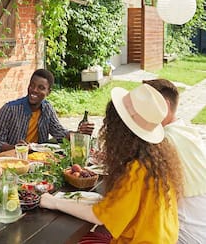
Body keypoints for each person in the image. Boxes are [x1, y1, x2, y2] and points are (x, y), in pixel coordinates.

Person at [40, 84, 183, 243]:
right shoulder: (157, 157)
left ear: (119, 128)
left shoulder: (137, 169)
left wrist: (53, 202)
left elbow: (99, 217)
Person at [143, 78, 206, 244]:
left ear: (164, 104)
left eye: (144, 104)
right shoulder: (185, 129)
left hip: (184, 235)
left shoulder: (163, 140)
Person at [0, 69, 94, 155]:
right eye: (32, 85)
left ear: (48, 92)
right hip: (9, 162)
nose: (34, 90)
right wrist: (18, 148)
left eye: (41, 88)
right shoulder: (9, 109)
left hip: (36, 161)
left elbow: (60, 134)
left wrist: (79, 133)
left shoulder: (47, 109)